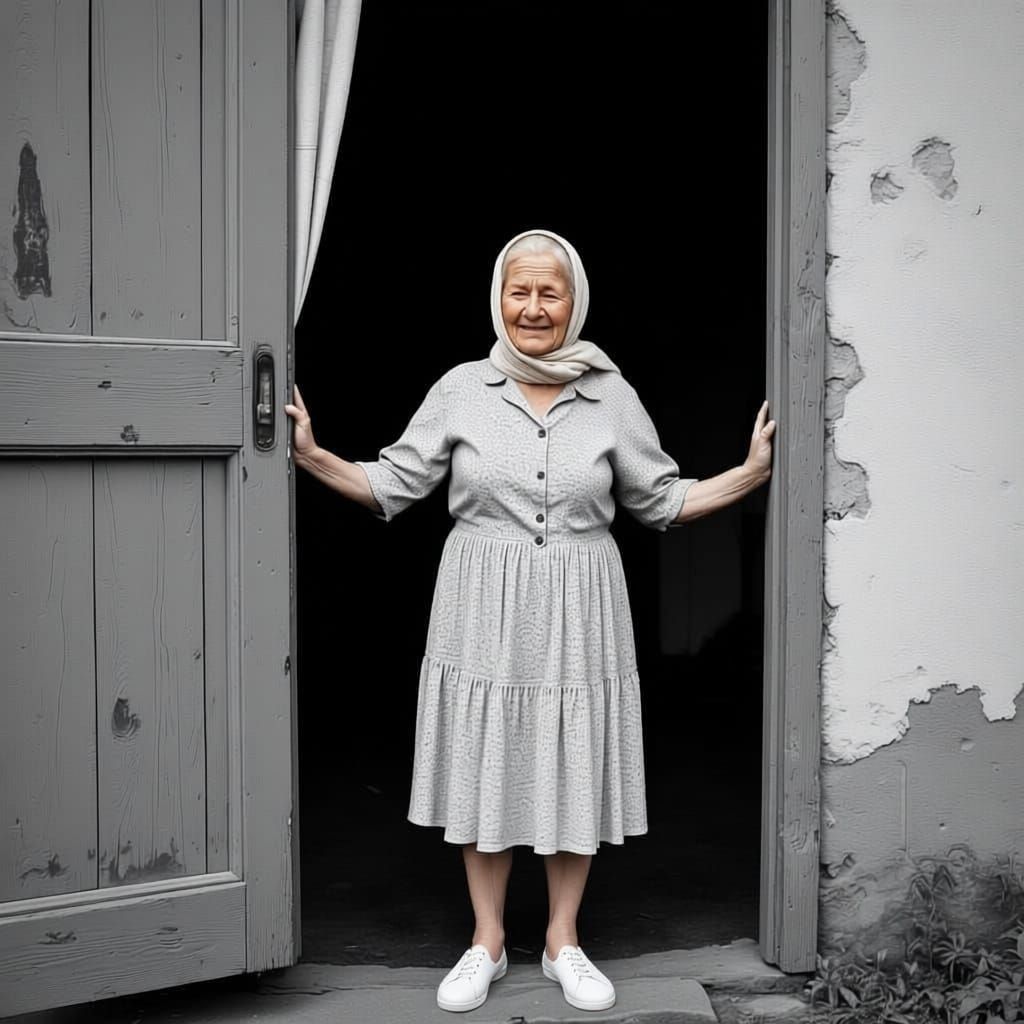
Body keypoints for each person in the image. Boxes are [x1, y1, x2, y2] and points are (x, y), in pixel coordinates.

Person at [285, 228, 775, 1014]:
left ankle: (562, 941)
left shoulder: (611, 395)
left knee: (572, 753)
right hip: (481, 595)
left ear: (574, 300)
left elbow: (660, 500)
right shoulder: (461, 389)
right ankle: (484, 941)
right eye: (521, 291)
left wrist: (749, 475)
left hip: (583, 596)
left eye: (551, 292)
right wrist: (311, 455)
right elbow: (394, 484)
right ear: (498, 298)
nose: (534, 308)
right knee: (489, 755)